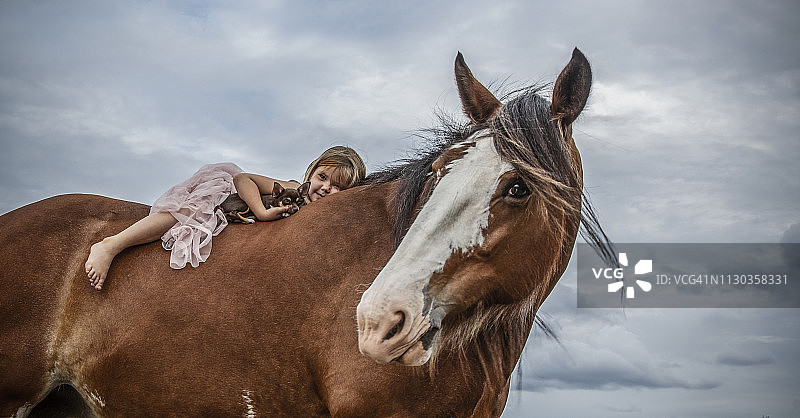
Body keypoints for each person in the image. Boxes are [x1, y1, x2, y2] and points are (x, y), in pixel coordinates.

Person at [85, 146, 366, 290]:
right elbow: (243, 178)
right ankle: (112, 244)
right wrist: (261, 212)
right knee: (182, 216)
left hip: (236, 217)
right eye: (323, 177)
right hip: (225, 198)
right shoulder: (293, 190)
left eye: (338, 186)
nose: (327, 188)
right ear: (312, 172)